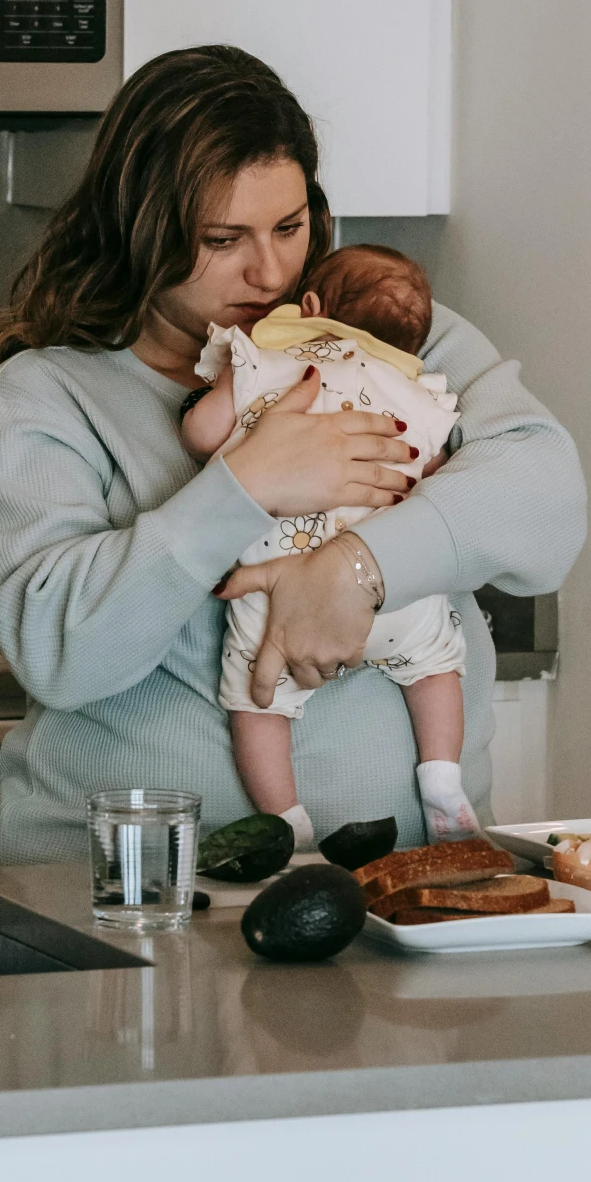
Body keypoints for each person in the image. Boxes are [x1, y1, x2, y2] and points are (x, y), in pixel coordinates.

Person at [0, 44, 587, 865]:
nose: (269, 269)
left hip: (406, 887)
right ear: (140, 229)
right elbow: (60, 653)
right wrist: (244, 483)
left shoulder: (391, 341)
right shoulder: (44, 396)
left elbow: (548, 506)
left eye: (288, 227)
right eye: (221, 239)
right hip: (128, 895)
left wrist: (353, 568)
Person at [182, 244, 481, 847]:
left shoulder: (269, 359)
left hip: (277, 589)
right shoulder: (418, 390)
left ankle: (288, 822)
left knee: (256, 703)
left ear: (310, 305)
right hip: (395, 595)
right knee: (437, 669)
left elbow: (202, 433)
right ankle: (444, 777)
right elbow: (443, 473)